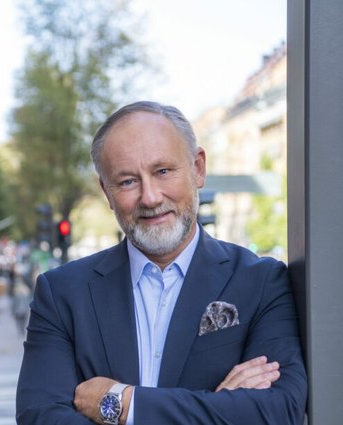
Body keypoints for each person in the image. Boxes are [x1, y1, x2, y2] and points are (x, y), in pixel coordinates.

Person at [16, 101, 307, 424]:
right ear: (106, 192)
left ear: (198, 168)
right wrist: (219, 407)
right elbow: (39, 418)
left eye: (163, 172)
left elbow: (278, 411)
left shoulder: (262, 282)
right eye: (128, 181)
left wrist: (122, 404)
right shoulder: (61, 294)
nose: (150, 197)